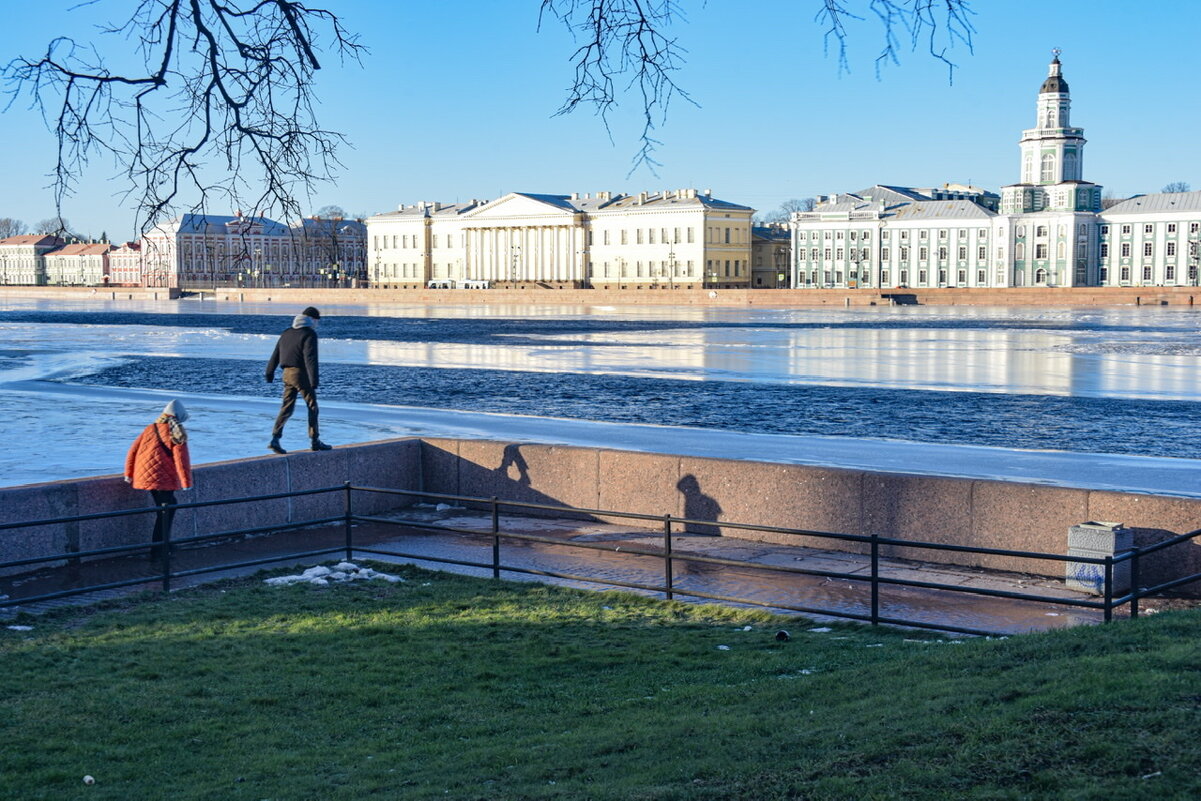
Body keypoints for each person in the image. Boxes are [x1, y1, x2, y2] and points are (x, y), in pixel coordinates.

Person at [124, 399, 193, 558]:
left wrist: (128, 474)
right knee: (166, 512)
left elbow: (132, 451)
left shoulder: (150, 428)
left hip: (145, 478)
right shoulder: (176, 432)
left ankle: (165, 546)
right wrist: (186, 483)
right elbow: (181, 460)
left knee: (165, 510)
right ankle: (158, 551)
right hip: (163, 480)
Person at [265, 305, 332, 453]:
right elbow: (310, 358)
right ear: (312, 319)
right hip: (301, 375)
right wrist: (314, 380)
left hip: (286, 375)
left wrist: (269, 372)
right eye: (317, 321)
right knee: (312, 406)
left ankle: (275, 438)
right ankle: (315, 440)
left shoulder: (286, 333)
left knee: (286, 407)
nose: (317, 324)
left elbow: (276, 354)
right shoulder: (309, 334)